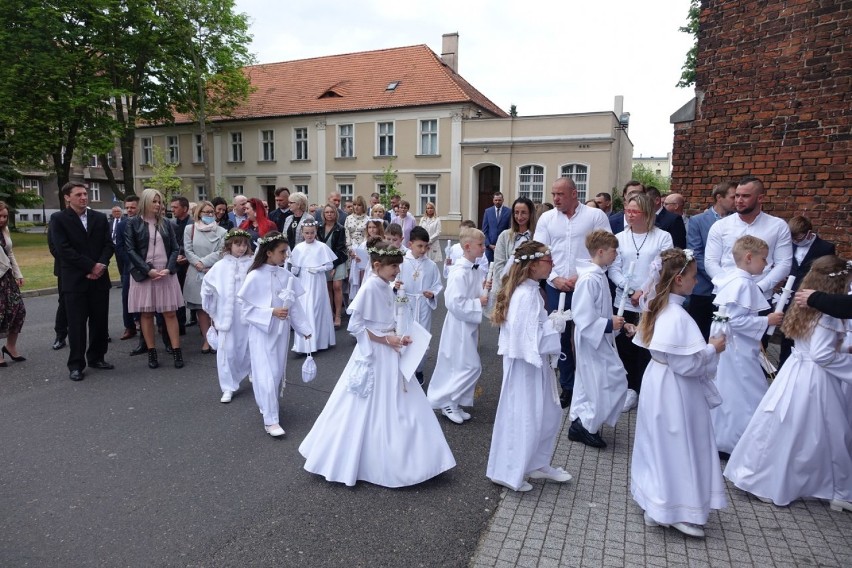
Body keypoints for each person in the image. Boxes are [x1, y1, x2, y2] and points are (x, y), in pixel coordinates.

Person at [299, 238, 455, 487]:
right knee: (366, 403)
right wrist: (386, 339)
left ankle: (418, 459)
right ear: (377, 265)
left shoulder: (385, 284)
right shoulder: (370, 287)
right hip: (376, 352)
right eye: (393, 267)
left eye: (398, 267)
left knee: (403, 402)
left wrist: (398, 334)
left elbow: (387, 316)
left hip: (390, 346)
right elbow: (357, 326)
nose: (397, 271)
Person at [724, 255, 852, 512]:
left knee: (785, 427)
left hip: (796, 370)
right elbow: (822, 355)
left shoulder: (805, 305)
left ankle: (761, 475)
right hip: (815, 379)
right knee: (823, 432)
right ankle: (833, 488)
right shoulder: (828, 315)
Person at [631, 248, 728, 539]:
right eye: (693, 277)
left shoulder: (659, 307)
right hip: (674, 388)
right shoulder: (675, 316)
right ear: (677, 279)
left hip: (658, 381)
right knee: (677, 443)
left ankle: (657, 502)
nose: (696, 282)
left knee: (659, 442)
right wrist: (713, 348)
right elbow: (686, 363)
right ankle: (673, 508)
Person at [486, 241, 571, 492]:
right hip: (525, 367)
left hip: (536, 365)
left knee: (546, 413)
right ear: (533, 266)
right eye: (548, 260)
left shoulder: (532, 290)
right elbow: (526, 339)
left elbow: (533, 330)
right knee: (523, 416)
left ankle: (537, 462)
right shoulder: (524, 295)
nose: (552, 264)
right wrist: (554, 327)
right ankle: (509, 471)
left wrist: (551, 323)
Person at [534, 176, 611, 409]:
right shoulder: (547, 218)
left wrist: (583, 274)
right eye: (553, 194)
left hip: (586, 285)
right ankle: (567, 386)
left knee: (589, 334)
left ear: (575, 194)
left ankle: (591, 385)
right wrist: (554, 277)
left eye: (560, 194)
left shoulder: (595, 216)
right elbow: (539, 251)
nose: (556, 199)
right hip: (556, 286)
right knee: (561, 336)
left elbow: (607, 248)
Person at [710, 235, 783, 456]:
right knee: (742, 392)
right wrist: (766, 321)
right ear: (749, 258)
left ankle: (726, 438)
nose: (767, 264)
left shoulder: (735, 280)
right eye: (764, 259)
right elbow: (735, 320)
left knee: (733, 391)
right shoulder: (741, 284)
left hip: (737, 346)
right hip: (737, 350)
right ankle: (735, 441)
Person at [237, 232, 312, 437]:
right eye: (281, 252)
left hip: (280, 334)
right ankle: (271, 420)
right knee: (265, 373)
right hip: (262, 332)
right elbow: (245, 308)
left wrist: (303, 329)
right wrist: (271, 312)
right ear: (268, 252)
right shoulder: (255, 276)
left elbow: (293, 305)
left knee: (276, 372)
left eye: (286, 252)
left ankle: (267, 405)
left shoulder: (286, 275)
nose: (285, 256)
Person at [608, 194, 673, 411]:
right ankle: (628, 389)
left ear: (647, 213)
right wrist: (629, 291)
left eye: (635, 211)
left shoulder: (662, 237)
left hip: (650, 301)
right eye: (628, 210)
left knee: (646, 347)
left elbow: (662, 268)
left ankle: (646, 388)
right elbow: (614, 268)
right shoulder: (619, 237)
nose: (630, 214)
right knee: (625, 346)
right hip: (624, 300)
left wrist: (643, 291)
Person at [48, 182, 115, 381]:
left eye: (85, 194)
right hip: (75, 280)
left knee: (99, 321)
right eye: (78, 194)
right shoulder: (59, 219)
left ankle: (97, 357)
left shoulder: (99, 218)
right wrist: (90, 266)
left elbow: (108, 245)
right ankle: (76, 364)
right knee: (76, 324)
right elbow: (63, 249)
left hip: (99, 279)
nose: (84, 197)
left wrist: (101, 264)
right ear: (68, 197)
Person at [568, 230, 628, 448]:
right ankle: (586, 424)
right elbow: (583, 316)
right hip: (590, 339)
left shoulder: (598, 275)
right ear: (601, 252)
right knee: (609, 380)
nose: (616, 256)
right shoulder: (589, 279)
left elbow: (599, 310)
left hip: (598, 336)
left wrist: (615, 323)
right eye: (614, 251)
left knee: (590, 383)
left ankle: (582, 422)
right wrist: (608, 324)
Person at [427, 227, 491, 423]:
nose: (484, 248)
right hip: (458, 325)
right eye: (480, 245)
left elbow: (476, 293)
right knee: (469, 366)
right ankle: (446, 401)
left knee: (461, 365)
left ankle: (453, 402)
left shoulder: (475, 269)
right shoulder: (459, 273)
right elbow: (454, 302)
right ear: (468, 247)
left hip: (468, 325)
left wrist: (485, 289)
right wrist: (478, 302)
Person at [704, 176, 793, 302]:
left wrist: (759, 287)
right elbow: (711, 261)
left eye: (745, 196)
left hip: (761, 295)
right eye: (736, 196)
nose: (739, 200)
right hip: (725, 294)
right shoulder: (720, 226)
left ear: (760, 198)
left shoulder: (778, 226)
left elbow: (784, 263)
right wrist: (729, 285)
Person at [126, 188, 185, 370]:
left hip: (164, 272)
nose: (158, 205)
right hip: (144, 274)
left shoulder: (166, 223)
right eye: (155, 201)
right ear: (145, 202)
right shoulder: (133, 223)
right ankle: (151, 351)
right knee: (146, 313)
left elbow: (175, 248)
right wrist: (147, 270)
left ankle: (177, 351)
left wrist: (169, 268)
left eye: (160, 202)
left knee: (170, 313)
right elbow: (130, 250)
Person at [201, 229, 254, 403]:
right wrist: (211, 302)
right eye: (238, 244)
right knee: (227, 351)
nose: (241, 248)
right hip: (227, 317)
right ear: (229, 245)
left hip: (249, 315)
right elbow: (208, 284)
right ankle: (228, 386)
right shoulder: (221, 266)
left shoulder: (252, 264)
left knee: (251, 346)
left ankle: (254, 373)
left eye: (244, 244)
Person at [778, 215, 836, 365]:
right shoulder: (787, 245)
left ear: (809, 233)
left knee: (803, 334)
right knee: (786, 335)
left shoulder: (825, 247)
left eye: (798, 238)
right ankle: (783, 367)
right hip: (788, 294)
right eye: (793, 239)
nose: (795, 242)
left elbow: (828, 273)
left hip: (809, 295)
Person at [687, 182, 736, 340]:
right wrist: (717, 278)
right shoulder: (698, 221)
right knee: (700, 333)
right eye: (733, 197)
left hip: (731, 287)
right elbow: (696, 252)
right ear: (719, 198)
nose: (737, 201)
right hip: (704, 288)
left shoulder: (738, 222)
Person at [399, 226, 443, 384]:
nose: (423, 249)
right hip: (405, 304)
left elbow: (437, 285)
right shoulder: (402, 261)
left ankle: (419, 370)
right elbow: (392, 280)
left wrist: (432, 294)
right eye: (420, 246)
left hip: (423, 305)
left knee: (422, 338)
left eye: (426, 246)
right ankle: (402, 368)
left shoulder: (430, 265)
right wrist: (395, 286)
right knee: (404, 334)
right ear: (410, 244)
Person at [183, 201, 226, 353]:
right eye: (206, 212)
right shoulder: (190, 229)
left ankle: (218, 339)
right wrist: (198, 263)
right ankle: (207, 339)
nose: (209, 215)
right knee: (201, 308)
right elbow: (188, 250)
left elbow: (221, 252)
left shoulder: (221, 231)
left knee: (214, 307)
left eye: (211, 212)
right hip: (196, 272)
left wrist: (205, 263)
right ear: (199, 213)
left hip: (214, 271)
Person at [290, 219, 336, 353]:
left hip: (317, 280)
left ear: (316, 232)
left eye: (312, 233)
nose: (309, 235)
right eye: (306, 233)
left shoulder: (321, 246)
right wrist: (294, 270)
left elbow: (330, 264)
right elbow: (295, 266)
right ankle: (305, 343)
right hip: (304, 279)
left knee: (317, 307)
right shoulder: (298, 248)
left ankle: (319, 341)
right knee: (305, 307)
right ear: (302, 233)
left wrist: (319, 269)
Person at [491, 197, 535, 299]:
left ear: (530, 214)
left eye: (523, 212)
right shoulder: (504, 236)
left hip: (529, 289)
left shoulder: (536, 235)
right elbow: (499, 265)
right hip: (507, 287)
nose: (519, 217)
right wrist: (506, 287)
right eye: (516, 212)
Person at [0, 201, 26, 366]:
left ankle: (10, 347)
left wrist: (18, 274)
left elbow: (10, 253)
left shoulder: (5, 231)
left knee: (19, 311)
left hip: (7, 278)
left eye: (5, 216)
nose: (2, 219)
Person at [317, 204, 348, 328]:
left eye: (331, 212)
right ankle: (330, 313)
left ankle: (338, 316)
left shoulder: (340, 229)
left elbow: (340, 248)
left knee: (337, 286)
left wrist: (334, 265)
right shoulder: (319, 228)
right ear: (323, 214)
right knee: (328, 287)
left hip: (338, 260)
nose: (329, 214)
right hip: (324, 261)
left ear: (335, 214)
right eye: (327, 212)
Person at [116, 195, 140, 342]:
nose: (129, 210)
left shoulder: (145, 223)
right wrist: (132, 263)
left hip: (145, 266)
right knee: (126, 297)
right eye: (127, 207)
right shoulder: (121, 225)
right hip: (129, 267)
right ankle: (129, 326)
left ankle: (158, 324)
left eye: (132, 207)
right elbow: (119, 247)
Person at [169, 196, 193, 335]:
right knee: (177, 296)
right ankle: (180, 324)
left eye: (175, 207)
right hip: (176, 263)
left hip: (189, 264)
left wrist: (185, 255)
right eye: (171, 207)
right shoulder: (171, 223)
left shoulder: (193, 223)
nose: (172, 210)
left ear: (184, 208)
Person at [351, 220, 383, 293]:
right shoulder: (364, 244)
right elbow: (361, 262)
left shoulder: (382, 243)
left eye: (374, 227)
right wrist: (356, 258)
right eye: (369, 227)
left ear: (379, 228)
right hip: (366, 271)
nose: (372, 230)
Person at [482, 192, 511, 262]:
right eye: (496, 200)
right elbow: (484, 230)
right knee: (489, 268)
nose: (497, 202)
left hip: (503, 246)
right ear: (493, 200)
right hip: (490, 248)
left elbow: (510, 229)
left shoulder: (509, 211)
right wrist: (488, 244)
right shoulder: (488, 211)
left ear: (503, 200)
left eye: (499, 200)